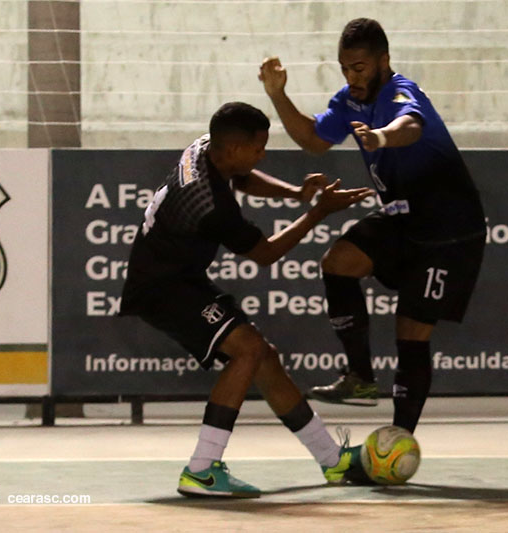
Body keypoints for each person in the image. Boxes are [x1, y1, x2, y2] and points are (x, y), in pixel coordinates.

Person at [119, 102, 372, 498]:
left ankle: (331, 459)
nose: (262, 154)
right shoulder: (209, 203)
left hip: (179, 278)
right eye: (258, 148)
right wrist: (319, 212)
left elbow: (242, 177)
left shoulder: (206, 147)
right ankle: (202, 469)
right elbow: (266, 254)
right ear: (235, 148)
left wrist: (295, 194)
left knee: (263, 355)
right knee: (248, 350)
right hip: (162, 289)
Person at [259, 18, 486, 434]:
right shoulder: (349, 101)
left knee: (411, 332)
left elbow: (410, 126)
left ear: (383, 61)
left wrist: (381, 137)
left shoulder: (401, 91)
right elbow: (313, 140)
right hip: (403, 217)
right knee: (338, 262)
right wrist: (278, 95)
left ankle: (400, 437)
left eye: (359, 67)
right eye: (345, 68)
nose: (351, 77)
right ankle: (360, 377)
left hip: (448, 229)